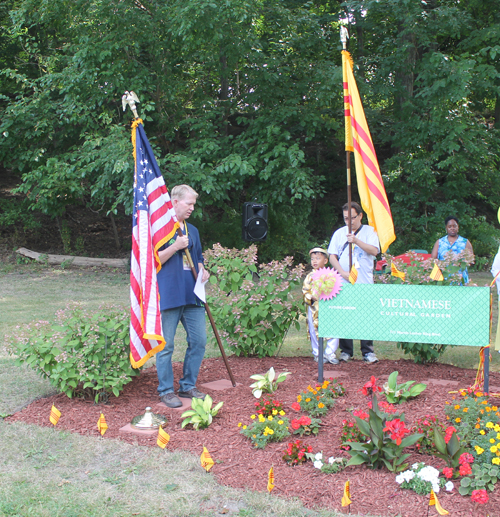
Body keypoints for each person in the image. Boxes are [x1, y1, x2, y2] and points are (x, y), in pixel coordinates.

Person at [155, 184, 210, 408]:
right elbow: (153, 260)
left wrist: (203, 271)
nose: (192, 208)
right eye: (189, 203)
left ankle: (188, 385)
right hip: (169, 294)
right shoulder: (160, 228)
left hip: (192, 295)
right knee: (166, 345)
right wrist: (175, 246)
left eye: (194, 204)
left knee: (199, 341)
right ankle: (166, 390)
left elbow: (198, 258)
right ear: (175, 202)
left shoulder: (193, 230)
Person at [327, 201, 380, 363]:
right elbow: (332, 256)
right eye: (345, 218)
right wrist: (342, 273)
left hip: (364, 281)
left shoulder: (370, 232)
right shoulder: (339, 233)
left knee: (365, 316)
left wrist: (356, 241)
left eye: (352, 218)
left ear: (360, 216)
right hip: (344, 281)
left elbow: (374, 251)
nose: (349, 221)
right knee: (345, 314)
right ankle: (346, 350)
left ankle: (367, 351)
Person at [302, 247, 340, 364]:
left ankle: (330, 352)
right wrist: (310, 297)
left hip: (329, 307)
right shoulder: (310, 276)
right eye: (312, 259)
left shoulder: (332, 275)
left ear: (325, 261)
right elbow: (305, 291)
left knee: (333, 328)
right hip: (314, 307)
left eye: (318, 258)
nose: (314, 261)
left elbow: (337, 290)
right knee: (314, 330)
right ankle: (317, 353)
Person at [430, 216, 474, 284]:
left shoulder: (465, 242)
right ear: (446, 228)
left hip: (460, 278)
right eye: (450, 226)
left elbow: (471, 260)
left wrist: (461, 263)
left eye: (454, 226)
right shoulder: (440, 242)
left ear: (458, 227)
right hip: (443, 277)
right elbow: (433, 259)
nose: (452, 228)